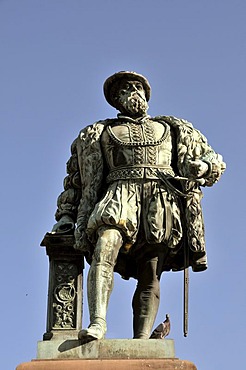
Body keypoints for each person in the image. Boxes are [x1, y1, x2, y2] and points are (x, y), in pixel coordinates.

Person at [52, 71, 226, 341]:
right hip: (118, 197)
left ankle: (143, 340)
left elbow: (211, 159)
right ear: (115, 99)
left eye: (138, 87)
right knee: (105, 247)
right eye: (125, 88)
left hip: (160, 204)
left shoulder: (173, 128)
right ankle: (98, 322)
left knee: (151, 271)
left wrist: (201, 166)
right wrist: (66, 215)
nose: (134, 91)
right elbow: (76, 180)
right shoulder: (98, 133)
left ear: (146, 94)